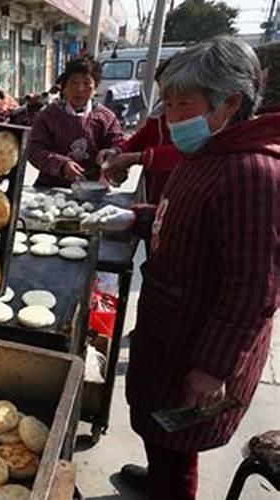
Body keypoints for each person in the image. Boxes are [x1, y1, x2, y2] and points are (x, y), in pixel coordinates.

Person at [82, 36, 280, 500]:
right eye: (167, 104)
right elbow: (189, 223)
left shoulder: (252, 173)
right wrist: (138, 217)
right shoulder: (207, 153)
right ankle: (159, 479)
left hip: (197, 345)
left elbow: (254, 289)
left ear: (229, 102)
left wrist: (213, 368)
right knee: (162, 433)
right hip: (170, 327)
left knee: (177, 445)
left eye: (182, 104)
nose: (171, 118)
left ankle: (171, 490)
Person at [28, 55, 124, 187]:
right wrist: (62, 165)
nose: (80, 89)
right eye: (74, 82)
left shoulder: (106, 118)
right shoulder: (48, 116)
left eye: (87, 83)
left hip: (92, 189)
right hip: (50, 186)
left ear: (95, 88)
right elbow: (34, 149)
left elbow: (119, 145)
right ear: (64, 86)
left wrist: (112, 156)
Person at [97, 59, 183, 204]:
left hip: (180, 192)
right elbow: (142, 138)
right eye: (163, 88)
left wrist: (137, 158)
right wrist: (118, 150)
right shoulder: (160, 111)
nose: (165, 95)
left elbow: (185, 152)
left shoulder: (201, 117)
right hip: (155, 191)